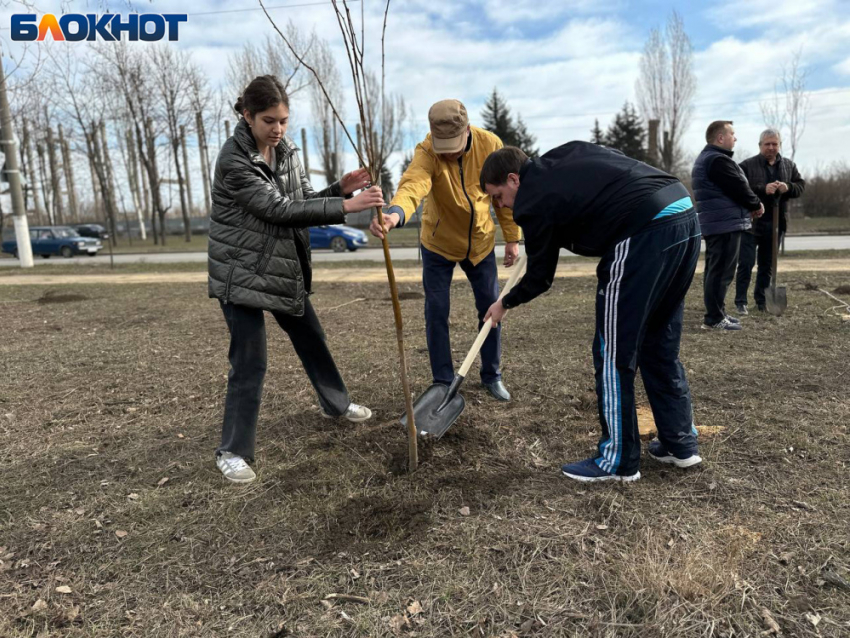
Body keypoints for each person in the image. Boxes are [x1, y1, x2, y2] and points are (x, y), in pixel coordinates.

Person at [480, 143, 702, 483]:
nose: (501, 206)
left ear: (513, 179)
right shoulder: (565, 157)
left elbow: (540, 277)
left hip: (644, 229)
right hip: (683, 211)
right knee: (659, 342)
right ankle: (680, 444)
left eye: (498, 196)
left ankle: (618, 461)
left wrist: (504, 302)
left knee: (613, 352)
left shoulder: (531, 199)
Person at [208, 75, 385, 483]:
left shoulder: (286, 152)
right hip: (241, 274)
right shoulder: (233, 161)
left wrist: (339, 189)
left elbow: (301, 201)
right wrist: (347, 206)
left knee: (312, 337)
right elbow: (279, 210)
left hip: (279, 268)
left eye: (284, 120)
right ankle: (232, 451)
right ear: (247, 115)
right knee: (250, 362)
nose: (278, 129)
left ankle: (335, 404)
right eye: (269, 120)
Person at [369, 99, 522, 401]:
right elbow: (414, 184)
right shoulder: (427, 151)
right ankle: (442, 380)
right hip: (437, 244)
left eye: (453, 142)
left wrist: (512, 238)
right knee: (437, 310)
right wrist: (395, 213)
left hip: (479, 243)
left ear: (467, 130)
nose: (448, 151)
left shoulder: (490, 143)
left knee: (490, 308)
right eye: (442, 144)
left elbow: (502, 198)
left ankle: (491, 375)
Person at [692, 120, 764, 330]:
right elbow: (738, 186)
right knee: (721, 272)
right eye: (732, 134)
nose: (736, 138)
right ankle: (714, 319)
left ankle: (718, 313)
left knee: (718, 271)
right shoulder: (717, 160)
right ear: (720, 138)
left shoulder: (712, 158)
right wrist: (756, 203)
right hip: (723, 224)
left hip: (721, 222)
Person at [735, 129, 805, 314]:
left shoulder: (789, 166)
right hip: (751, 223)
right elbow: (738, 188)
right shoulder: (746, 166)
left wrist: (787, 187)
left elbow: (800, 186)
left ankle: (762, 301)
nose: (771, 147)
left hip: (776, 223)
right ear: (760, 146)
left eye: (775, 144)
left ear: (779, 145)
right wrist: (761, 189)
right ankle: (740, 301)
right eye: (767, 144)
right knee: (746, 263)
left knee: (767, 265)